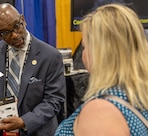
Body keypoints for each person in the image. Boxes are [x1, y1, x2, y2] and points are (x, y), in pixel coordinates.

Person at [0, 3, 66, 136]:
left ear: (23, 20)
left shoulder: (50, 55)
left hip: (36, 131)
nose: (15, 35)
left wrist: (24, 121)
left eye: (17, 26)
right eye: (6, 32)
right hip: (0, 131)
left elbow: (54, 100)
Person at [55, 3, 148, 136]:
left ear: (99, 52)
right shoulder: (137, 96)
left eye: (84, 46)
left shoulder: (101, 111)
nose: (83, 54)